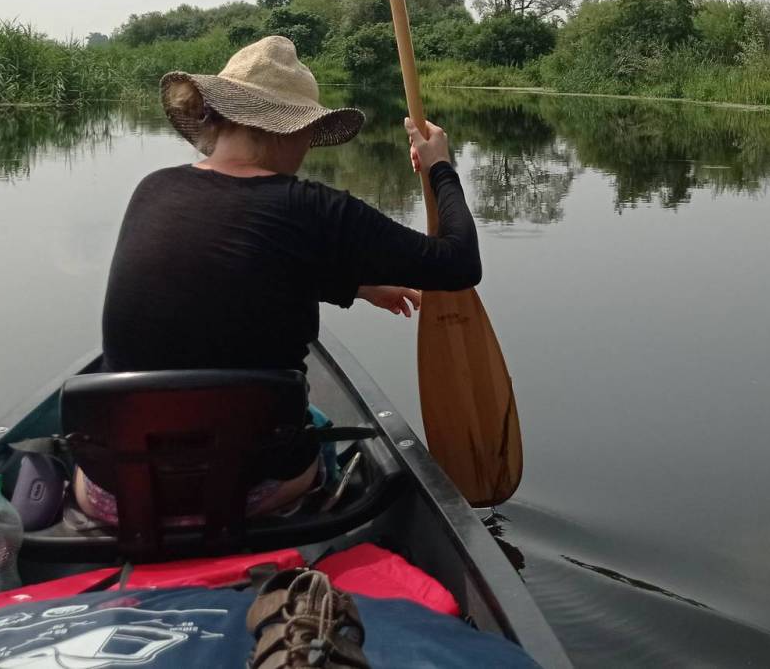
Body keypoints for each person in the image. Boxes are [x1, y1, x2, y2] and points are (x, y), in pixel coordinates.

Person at [76, 35, 480, 521]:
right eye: (307, 134)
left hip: (115, 493)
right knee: (317, 427)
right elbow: (458, 263)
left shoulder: (153, 190)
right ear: (289, 131)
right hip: (249, 489)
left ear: (218, 118)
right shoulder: (311, 209)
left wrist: (354, 286)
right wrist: (440, 169)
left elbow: (234, 272)